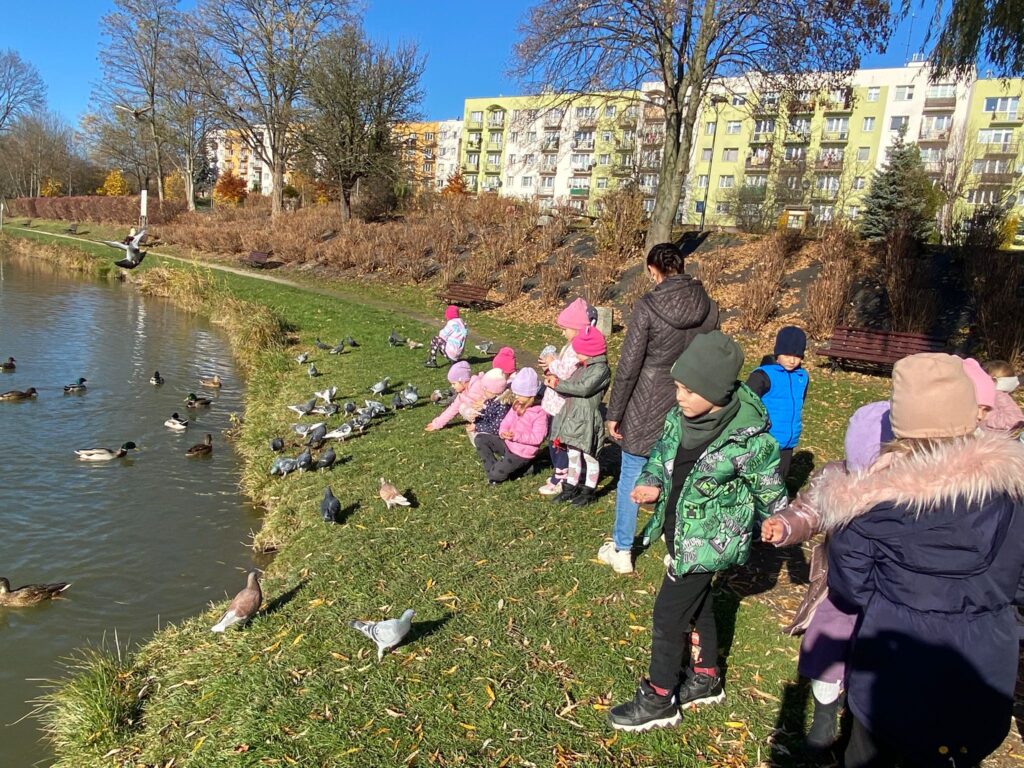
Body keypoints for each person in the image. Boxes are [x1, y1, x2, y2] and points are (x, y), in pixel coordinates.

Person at [813, 353, 1024, 768]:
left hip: (893, 676)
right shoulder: (1015, 498)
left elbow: (850, 586)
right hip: (980, 675)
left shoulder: (868, 507)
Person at [607, 331, 787, 732]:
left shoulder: (749, 441)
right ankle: (706, 678)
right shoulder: (678, 419)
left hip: (710, 541)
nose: (679, 396)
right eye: (677, 386)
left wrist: (778, 519)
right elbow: (660, 456)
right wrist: (653, 480)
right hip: (679, 533)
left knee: (668, 614)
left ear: (717, 392)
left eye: (689, 389)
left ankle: (659, 697)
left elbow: (771, 488)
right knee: (698, 603)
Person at [760, 400, 892, 752]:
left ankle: (865, 714)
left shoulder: (906, 491)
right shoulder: (837, 478)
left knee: (875, 656)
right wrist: (784, 524)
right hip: (839, 585)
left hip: (887, 592)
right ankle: (824, 711)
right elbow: (808, 510)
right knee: (827, 646)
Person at [601, 242, 719, 574]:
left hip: (646, 400)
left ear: (654, 269)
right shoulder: (709, 308)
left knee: (631, 475)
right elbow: (713, 360)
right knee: (681, 477)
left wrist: (614, 412)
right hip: (690, 402)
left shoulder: (648, 305)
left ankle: (623, 549)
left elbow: (629, 365)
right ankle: (678, 546)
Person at [545, 326, 611, 507]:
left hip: (586, 417)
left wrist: (558, 384)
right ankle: (570, 487)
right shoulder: (583, 366)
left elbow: (583, 388)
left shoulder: (600, 370)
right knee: (573, 453)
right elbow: (571, 383)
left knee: (590, 455)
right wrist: (555, 379)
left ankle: (588, 490)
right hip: (572, 415)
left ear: (590, 352)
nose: (576, 355)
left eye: (579, 352)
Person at [538, 298, 593, 497]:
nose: (562, 333)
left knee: (558, 443)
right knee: (553, 438)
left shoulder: (578, 349)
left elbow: (566, 373)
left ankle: (560, 477)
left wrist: (552, 362)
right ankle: (562, 471)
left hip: (562, 404)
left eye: (565, 328)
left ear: (577, 328)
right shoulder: (571, 345)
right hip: (554, 401)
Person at [746, 326, 809, 481]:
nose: (792, 360)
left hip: (788, 440)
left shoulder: (802, 377)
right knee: (760, 479)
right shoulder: (763, 375)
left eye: (797, 355)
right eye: (787, 354)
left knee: (780, 479)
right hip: (765, 439)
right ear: (777, 352)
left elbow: (799, 402)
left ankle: (778, 503)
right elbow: (747, 404)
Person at [476, 368, 548, 484]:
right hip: (508, 444)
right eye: (516, 393)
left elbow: (537, 438)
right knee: (480, 438)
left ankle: (521, 468)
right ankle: (494, 470)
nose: (516, 396)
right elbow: (506, 421)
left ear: (531, 395)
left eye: (520, 394)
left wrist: (516, 436)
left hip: (521, 453)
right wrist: (503, 431)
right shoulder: (517, 404)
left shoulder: (540, 413)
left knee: (495, 475)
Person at [425, 361, 476, 432]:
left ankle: (482, 425)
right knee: (462, 407)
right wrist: (437, 423)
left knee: (468, 410)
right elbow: (453, 408)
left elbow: (486, 408)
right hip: (482, 414)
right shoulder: (463, 394)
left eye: (454, 383)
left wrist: (477, 424)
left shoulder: (477, 388)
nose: (452, 386)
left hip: (491, 415)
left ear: (463, 381)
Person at [466, 369, 511, 446]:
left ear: (494, 391)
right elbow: (486, 414)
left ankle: (481, 445)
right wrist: (477, 418)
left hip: (497, 434)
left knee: (479, 436)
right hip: (489, 426)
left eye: (485, 389)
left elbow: (496, 428)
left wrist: (477, 426)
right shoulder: (491, 400)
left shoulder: (502, 406)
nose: (483, 391)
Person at [981, 359, 1024, 435]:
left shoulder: (996, 395)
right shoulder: (1000, 395)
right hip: (995, 436)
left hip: (990, 434)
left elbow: (1015, 420)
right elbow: (1015, 420)